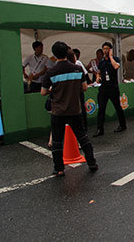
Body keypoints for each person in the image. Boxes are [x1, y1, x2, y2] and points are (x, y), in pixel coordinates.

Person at [41, 41, 97, 177]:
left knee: (57, 141)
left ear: (54, 54)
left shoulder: (51, 72)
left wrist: (52, 89)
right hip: (74, 109)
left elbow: (43, 92)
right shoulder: (77, 69)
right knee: (83, 137)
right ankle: (92, 163)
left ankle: (59, 169)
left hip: (58, 111)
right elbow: (84, 87)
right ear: (67, 52)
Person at [93, 42, 127, 137]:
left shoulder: (115, 59)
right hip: (103, 88)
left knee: (117, 107)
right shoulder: (102, 62)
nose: (105, 50)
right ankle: (100, 128)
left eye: (107, 48)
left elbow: (116, 66)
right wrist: (97, 77)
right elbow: (98, 72)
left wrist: (111, 57)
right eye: (104, 48)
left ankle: (123, 124)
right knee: (101, 109)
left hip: (113, 87)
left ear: (111, 50)